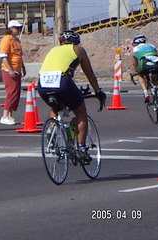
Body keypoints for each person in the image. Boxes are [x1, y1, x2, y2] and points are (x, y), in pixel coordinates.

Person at [38, 30, 106, 163]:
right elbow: (89, 72)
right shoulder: (78, 49)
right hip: (62, 81)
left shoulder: (53, 50)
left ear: (61, 41)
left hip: (42, 83)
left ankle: (52, 128)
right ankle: (81, 148)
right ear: (76, 41)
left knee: (55, 107)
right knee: (81, 112)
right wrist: (97, 91)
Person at [0, 20, 26, 125]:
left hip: (17, 70)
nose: (18, 30)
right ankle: (5, 115)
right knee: (11, 92)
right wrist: (10, 70)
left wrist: (23, 67)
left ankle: (10, 115)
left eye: (19, 28)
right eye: (16, 28)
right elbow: (4, 57)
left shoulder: (17, 40)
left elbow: (19, 55)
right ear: (10, 28)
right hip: (9, 70)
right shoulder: (6, 40)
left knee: (16, 93)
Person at [130, 34, 158, 106]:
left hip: (144, 64)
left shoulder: (134, 50)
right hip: (156, 64)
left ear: (135, 43)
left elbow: (134, 64)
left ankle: (145, 92)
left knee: (140, 74)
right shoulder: (152, 46)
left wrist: (136, 71)